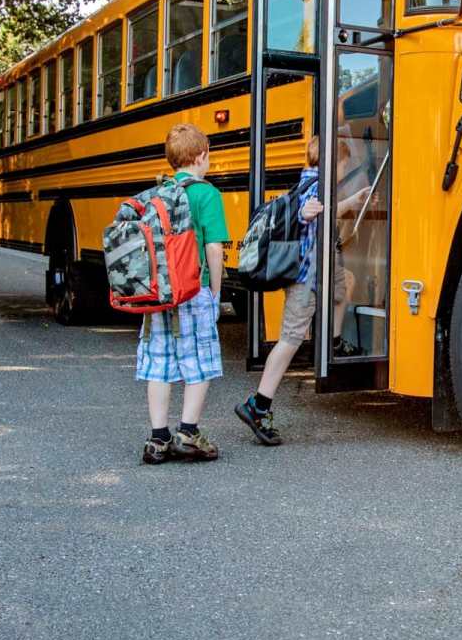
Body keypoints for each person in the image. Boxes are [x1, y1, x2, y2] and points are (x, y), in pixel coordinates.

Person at [235, 135, 361, 446]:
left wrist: (349, 202)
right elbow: (312, 210)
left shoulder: (307, 181)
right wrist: (314, 212)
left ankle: (332, 340)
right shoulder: (316, 187)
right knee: (290, 339)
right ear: (335, 162)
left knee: (343, 287)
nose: (345, 168)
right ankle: (258, 405)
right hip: (305, 278)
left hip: (315, 273)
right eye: (344, 163)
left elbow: (322, 209)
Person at [139, 123, 230, 465]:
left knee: (159, 362)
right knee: (200, 362)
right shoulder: (207, 193)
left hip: (159, 292)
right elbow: (215, 249)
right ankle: (187, 432)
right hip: (193, 290)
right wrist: (216, 293)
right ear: (201, 156)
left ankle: (158, 439)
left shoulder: (157, 192)